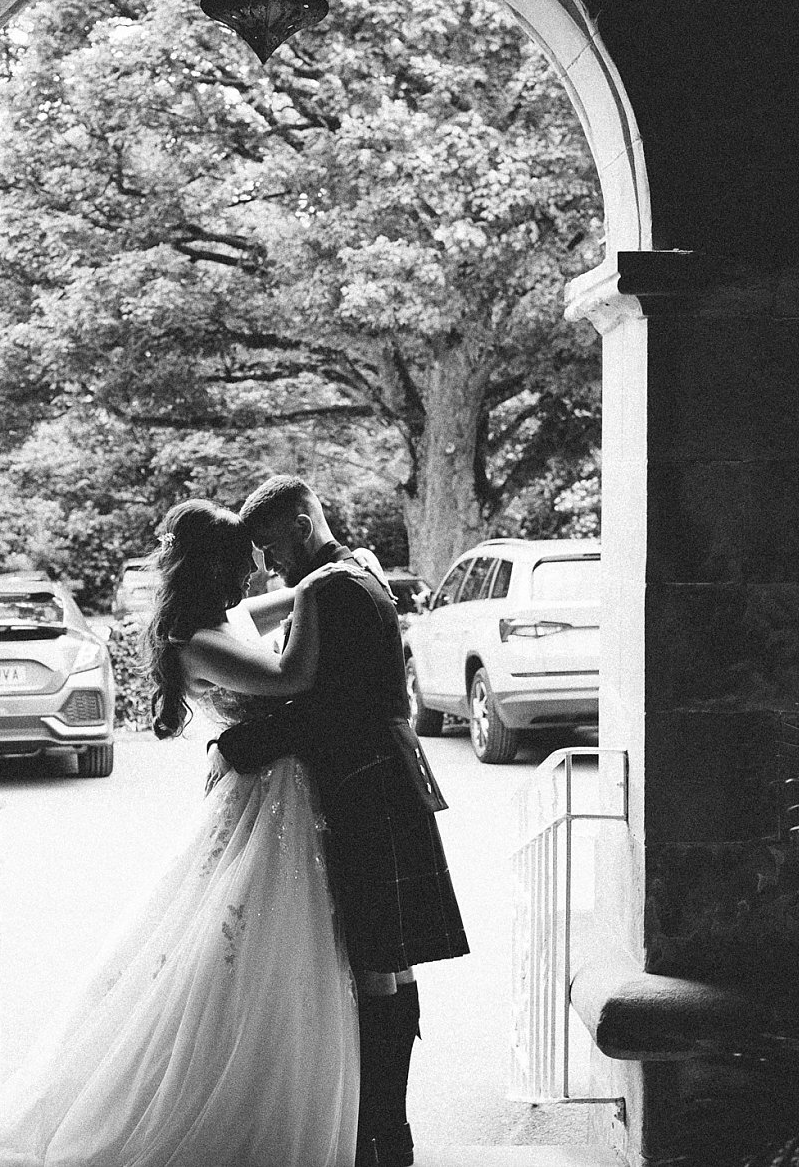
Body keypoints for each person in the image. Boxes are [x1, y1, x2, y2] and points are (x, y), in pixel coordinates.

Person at [0, 499, 363, 1167]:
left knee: (269, 952)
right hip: (266, 801)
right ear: (219, 567)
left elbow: (269, 613)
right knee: (245, 954)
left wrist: (324, 580)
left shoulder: (218, 620)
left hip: (282, 796)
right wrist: (320, 586)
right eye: (249, 561)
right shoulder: (195, 640)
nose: (261, 572)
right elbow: (292, 676)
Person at [218, 475, 469, 1167]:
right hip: (391, 775)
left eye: (271, 546)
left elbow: (331, 707)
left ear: (301, 524)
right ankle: (393, 1127)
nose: (270, 565)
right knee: (394, 960)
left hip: (365, 783)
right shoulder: (363, 569)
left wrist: (241, 744)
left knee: (374, 963)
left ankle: (378, 1130)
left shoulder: (326, 588)